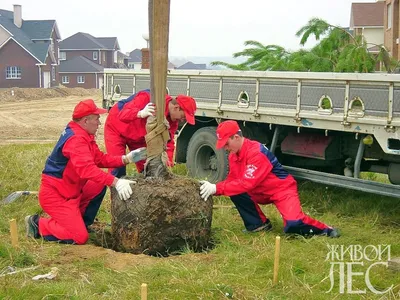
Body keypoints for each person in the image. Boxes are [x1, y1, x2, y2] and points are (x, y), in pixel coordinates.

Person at [25, 99, 146, 245]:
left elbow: (99, 159)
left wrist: (126, 159)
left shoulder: (82, 134)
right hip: (56, 196)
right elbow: (87, 170)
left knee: (98, 184)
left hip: (70, 190)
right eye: (96, 119)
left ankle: (81, 223)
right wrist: (116, 182)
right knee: (79, 238)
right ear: (86, 120)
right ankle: (38, 224)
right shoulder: (76, 140)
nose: (99, 123)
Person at [199, 120, 340, 237]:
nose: (225, 148)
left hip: (281, 191)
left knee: (293, 224)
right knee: (233, 190)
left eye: (226, 144)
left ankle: (326, 230)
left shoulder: (256, 153)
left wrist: (217, 188)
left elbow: (246, 184)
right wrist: (212, 188)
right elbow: (233, 181)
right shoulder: (234, 155)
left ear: (236, 137)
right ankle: (258, 225)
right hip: (258, 191)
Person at [104, 89, 197, 176]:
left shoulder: (172, 122)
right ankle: (116, 191)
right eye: (183, 116)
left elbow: (168, 142)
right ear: (176, 108)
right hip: (116, 128)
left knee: (148, 169)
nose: (182, 120)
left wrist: (167, 164)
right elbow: (123, 114)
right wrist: (140, 113)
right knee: (117, 167)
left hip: (139, 138)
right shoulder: (148, 97)